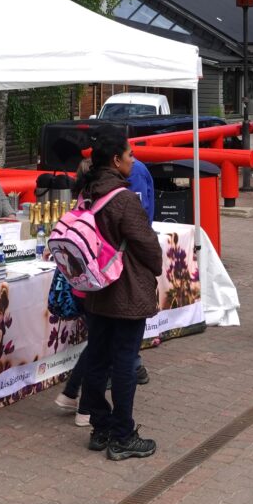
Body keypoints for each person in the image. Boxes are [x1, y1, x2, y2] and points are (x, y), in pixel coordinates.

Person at [72, 129, 163, 461]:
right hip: (125, 290)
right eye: (129, 155)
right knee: (124, 361)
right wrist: (156, 266)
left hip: (95, 288)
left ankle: (101, 426)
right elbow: (148, 245)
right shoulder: (123, 199)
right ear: (115, 160)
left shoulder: (87, 193)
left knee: (98, 358)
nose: (133, 160)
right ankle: (123, 435)